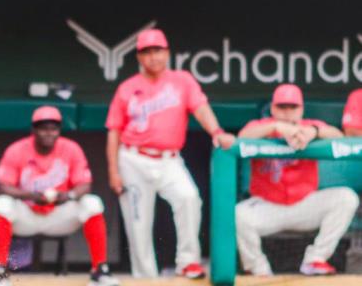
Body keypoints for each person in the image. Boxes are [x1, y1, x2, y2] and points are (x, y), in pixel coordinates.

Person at [105, 28, 235, 279]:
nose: (153, 56)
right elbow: (114, 131)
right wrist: (113, 171)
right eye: (147, 52)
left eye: (158, 50)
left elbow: (200, 108)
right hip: (133, 158)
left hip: (169, 159)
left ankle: (187, 262)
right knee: (138, 224)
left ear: (167, 53)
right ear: (139, 57)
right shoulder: (127, 88)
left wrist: (216, 131)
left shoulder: (182, 80)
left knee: (188, 198)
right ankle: (146, 279)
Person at [0, 106, 118, 286]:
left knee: (92, 203)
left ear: (59, 130)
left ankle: (100, 270)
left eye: (53, 128)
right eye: (43, 128)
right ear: (34, 130)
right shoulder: (17, 150)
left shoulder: (71, 149)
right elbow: (2, 186)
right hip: (27, 215)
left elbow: (85, 185)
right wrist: (33, 196)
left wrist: (67, 195)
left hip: (59, 216)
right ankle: (1, 271)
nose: (49, 133)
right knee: (2, 203)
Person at [235, 84, 355, 276]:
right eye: (282, 107)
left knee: (346, 198)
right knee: (237, 214)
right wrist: (276, 127)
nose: (287, 113)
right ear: (273, 108)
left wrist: (314, 131)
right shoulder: (260, 126)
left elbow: (339, 137)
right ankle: (258, 269)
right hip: (269, 207)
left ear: (301, 109)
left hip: (304, 205)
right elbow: (242, 137)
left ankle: (316, 259)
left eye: (293, 107)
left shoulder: (310, 125)